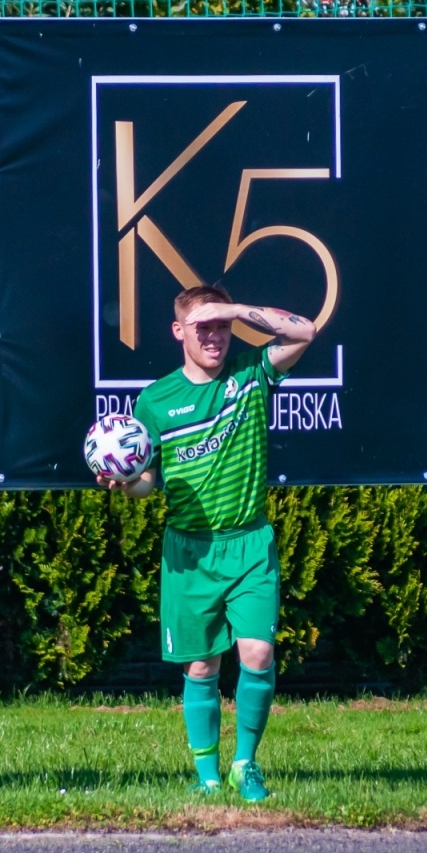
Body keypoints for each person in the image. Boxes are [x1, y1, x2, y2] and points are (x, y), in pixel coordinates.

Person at [101, 286, 316, 801]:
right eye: (203, 328)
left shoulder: (250, 375)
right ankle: (208, 778)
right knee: (202, 666)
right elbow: (151, 479)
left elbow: (304, 330)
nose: (215, 336)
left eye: (220, 326)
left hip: (249, 545)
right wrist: (129, 484)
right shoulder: (155, 400)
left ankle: (245, 763)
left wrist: (237, 310)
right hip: (190, 552)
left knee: (259, 653)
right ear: (179, 333)